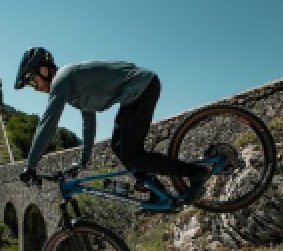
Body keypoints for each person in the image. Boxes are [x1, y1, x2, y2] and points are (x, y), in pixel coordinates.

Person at [15, 47, 209, 203]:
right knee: (117, 145)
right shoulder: (72, 88)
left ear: (43, 70)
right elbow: (88, 123)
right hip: (134, 95)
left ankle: (195, 173)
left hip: (142, 88)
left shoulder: (61, 79)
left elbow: (48, 122)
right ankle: (155, 190)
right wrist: (84, 161)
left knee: (132, 155)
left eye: (33, 82)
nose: (37, 89)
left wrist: (30, 165)